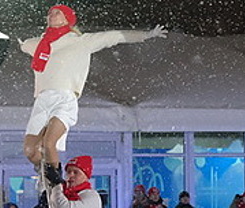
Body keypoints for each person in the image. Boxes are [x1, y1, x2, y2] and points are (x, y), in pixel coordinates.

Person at [19, 5, 167, 182]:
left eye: (57, 13)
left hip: (65, 98)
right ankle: (43, 170)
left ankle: (55, 182)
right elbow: (24, 45)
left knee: (49, 143)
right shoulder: (39, 43)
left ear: (68, 19)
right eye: (50, 13)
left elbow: (114, 36)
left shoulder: (81, 41)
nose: (51, 15)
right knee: (30, 151)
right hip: (42, 99)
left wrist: (146, 35)